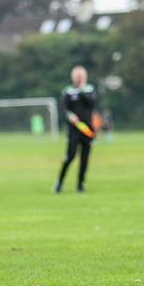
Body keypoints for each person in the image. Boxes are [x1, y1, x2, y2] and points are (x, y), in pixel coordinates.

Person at [54, 65, 96, 193]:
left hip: (87, 129)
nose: (79, 78)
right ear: (73, 77)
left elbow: (91, 103)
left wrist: (81, 90)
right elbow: (63, 108)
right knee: (70, 156)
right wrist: (69, 115)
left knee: (85, 158)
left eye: (81, 76)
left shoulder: (89, 90)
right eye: (77, 76)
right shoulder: (68, 91)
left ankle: (80, 184)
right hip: (73, 130)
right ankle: (59, 182)